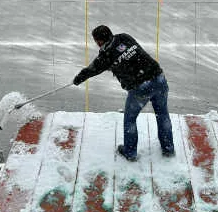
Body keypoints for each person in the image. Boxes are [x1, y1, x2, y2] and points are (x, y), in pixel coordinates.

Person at [73, 24, 175, 161]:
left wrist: (78, 79)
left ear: (99, 41)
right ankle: (168, 149)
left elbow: (93, 69)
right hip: (158, 78)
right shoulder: (124, 37)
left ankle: (130, 153)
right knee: (163, 115)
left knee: (130, 120)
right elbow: (129, 55)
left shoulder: (106, 56)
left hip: (140, 88)